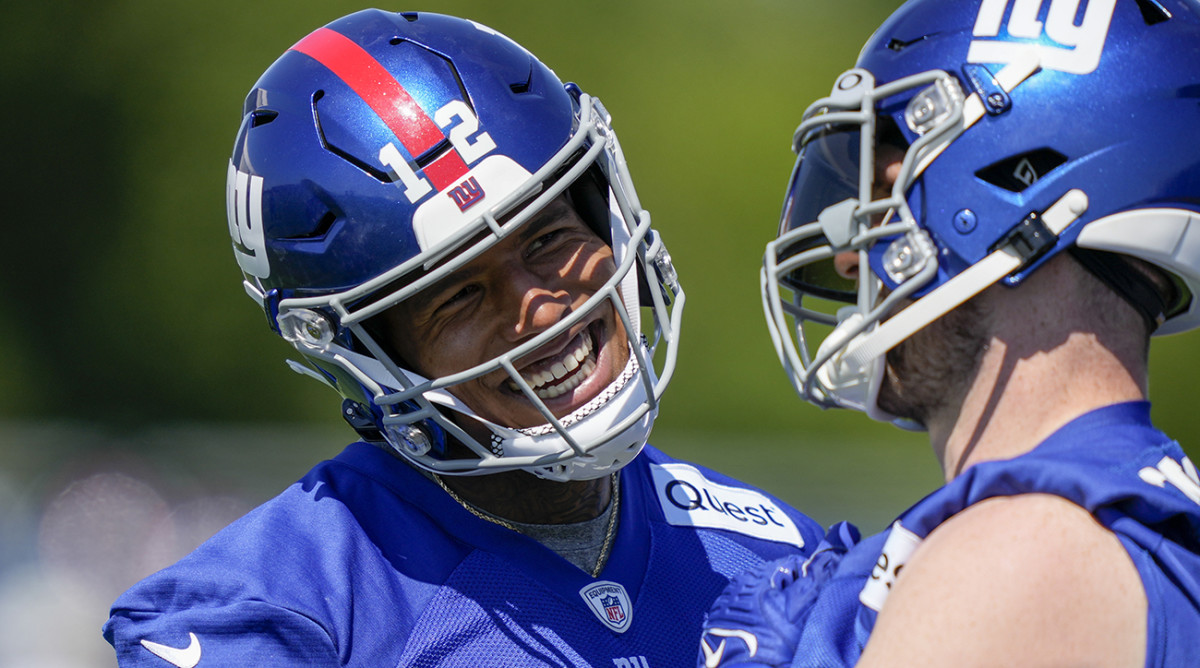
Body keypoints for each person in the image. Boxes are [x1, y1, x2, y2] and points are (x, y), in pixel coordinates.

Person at [102, 9, 825, 667]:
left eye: (547, 239)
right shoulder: (273, 612)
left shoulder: (779, 558)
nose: (540, 311)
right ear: (367, 354)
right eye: (459, 296)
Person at [700, 0, 1200, 666]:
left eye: (889, 194)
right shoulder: (1136, 521)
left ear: (1017, 187)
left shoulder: (1023, 554)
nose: (851, 259)